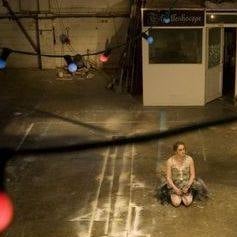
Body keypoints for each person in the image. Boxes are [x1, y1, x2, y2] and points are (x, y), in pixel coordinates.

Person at [155, 141, 208, 206]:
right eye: (180, 150)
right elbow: (168, 177)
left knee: (187, 202)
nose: (183, 151)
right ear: (175, 152)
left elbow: (192, 175)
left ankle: (190, 193)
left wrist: (187, 187)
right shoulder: (170, 161)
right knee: (176, 203)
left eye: (184, 149)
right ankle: (173, 195)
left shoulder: (189, 159)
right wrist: (175, 189)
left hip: (186, 184)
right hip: (175, 185)